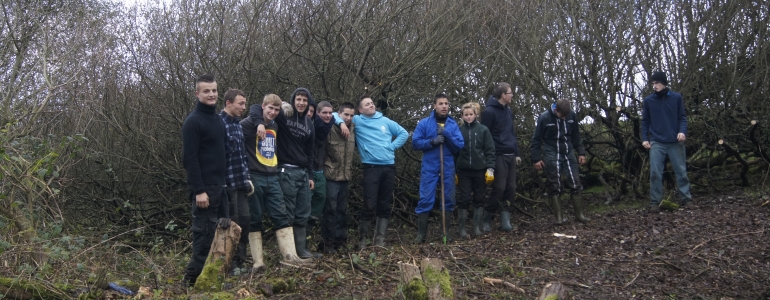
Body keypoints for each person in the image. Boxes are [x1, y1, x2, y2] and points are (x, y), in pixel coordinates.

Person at [241, 94, 311, 270]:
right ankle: (258, 262)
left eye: (276, 109)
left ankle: (290, 257)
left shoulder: (275, 125)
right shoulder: (246, 124)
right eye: (270, 108)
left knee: (282, 215)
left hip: (272, 176)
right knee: (255, 218)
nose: (272, 112)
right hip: (254, 176)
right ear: (263, 107)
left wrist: (285, 106)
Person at [336, 95, 408, 249]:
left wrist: (392, 146)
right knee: (369, 204)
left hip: (389, 167)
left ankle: (379, 240)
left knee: (385, 204)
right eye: (367, 104)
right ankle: (363, 240)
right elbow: (336, 114)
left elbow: (404, 133)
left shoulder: (386, 121)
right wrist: (342, 123)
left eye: (372, 103)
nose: (371, 105)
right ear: (360, 110)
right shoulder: (358, 121)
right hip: (371, 168)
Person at [181, 74, 229, 286]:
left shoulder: (218, 119)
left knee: (221, 237)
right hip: (204, 190)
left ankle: (202, 278)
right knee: (204, 237)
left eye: (214, 90)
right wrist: (199, 190)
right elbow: (189, 159)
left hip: (221, 187)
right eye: (206, 91)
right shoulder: (193, 122)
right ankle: (198, 283)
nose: (211, 94)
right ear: (197, 93)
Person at [411, 93, 464, 243]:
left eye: (446, 104)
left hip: (447, 166)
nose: (444, 106)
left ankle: (445, 233)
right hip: (430, 166)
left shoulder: (452, 125)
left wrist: (446, 135)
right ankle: (421, 235)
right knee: (426, 198)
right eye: (441, 104)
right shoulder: (424, 123)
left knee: (448, 199)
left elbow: (459, 146)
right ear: (434, 106)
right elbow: (415, 143)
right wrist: (432, 142)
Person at [531, 99, 590, 225]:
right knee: (554, 184)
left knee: (575, 182)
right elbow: (536, 139)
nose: (564, 118)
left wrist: (581, 153)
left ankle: (580, 215)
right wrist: (536, 158)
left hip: (568, 151)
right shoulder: (544, 117)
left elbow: (576, 136)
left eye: (566, 116)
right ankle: (559, 218)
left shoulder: (572, 115)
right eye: (562, 115)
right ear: (555, 110)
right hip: (551, 152)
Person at [641, 71, 692, 212]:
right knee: (655, 173)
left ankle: (686, 199)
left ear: (664, 83)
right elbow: (645, 121)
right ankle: (655, 202)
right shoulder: (649, 101)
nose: (655, 86)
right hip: (657, 141)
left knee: (681, 171)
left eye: (657, 83)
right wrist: (645, 138)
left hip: (675, 141)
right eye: (653, 83)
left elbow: (682, 117)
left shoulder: (676, 98)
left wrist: (682, 131)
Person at [218, 89, 255, 272]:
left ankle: (240, 262)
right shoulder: (219, 124)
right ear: (228, 103)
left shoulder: (238, 125)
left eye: (245, 104)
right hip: (227, 186)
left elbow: (242, 157)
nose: (243, 107)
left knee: (244, 223)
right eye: (240, 103)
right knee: (231, 225)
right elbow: (217, 158)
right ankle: (229, 265)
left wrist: (248, 179)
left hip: (241, 184)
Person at [480, 82, 521, 232]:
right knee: (499, 187)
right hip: (497, 154)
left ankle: (505, 221)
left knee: (511, 187)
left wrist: (516, 153)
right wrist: (488, 157)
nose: (512, 95)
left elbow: (511, 133)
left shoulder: (508, 111)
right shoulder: (489, 112)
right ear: (503, 95)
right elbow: (485, 135)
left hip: (510, 153)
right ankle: (486, 219)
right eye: (510, 93)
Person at [455, 102, 496, 237]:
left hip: (480, 170)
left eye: (471, 114)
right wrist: (454, 170)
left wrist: (490, 168)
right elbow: (454, 152)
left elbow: (490, 150)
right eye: (466, 115)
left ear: (475, 115)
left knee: (479, 198)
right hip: (464, 171)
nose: (468, 117)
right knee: (464, 198)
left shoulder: (483, 130)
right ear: (462, 116)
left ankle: (477, 227)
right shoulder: (458, 131)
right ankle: (462, 230)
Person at [321, 102, 357, 253]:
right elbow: (331, 115)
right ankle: (327, 243)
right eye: (345, 115)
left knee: (342, 211)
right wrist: (339, 122)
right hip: (331, 176)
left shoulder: (354, 129)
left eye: (351, 115)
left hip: (345, 177)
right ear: (339, 114)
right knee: (330, 211)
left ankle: (340, 241)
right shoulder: (330, 128)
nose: (348, 118)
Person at [307, 101, 334, 228]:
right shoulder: (310, 125)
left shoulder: (330, 126)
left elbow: (339, 115)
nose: (328, 116)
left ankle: (307, 238)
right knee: (305, 206)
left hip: (321, 171)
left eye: (330, 113)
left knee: (320, 202)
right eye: (324, 113)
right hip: (308, 170)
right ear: (317, 113)